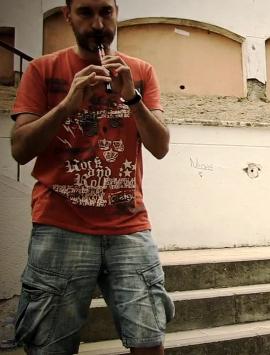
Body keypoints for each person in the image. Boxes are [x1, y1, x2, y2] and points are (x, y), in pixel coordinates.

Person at [10, 0, 174, 353]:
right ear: (67, 15)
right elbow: (20, 149)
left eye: (106, 12)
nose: (98, 24)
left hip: (129, 227)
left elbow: (160, 146)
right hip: (59, 226)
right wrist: (68, 104)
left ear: (117, 13)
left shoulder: (142, 71)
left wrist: (132, 97)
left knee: (149, 341)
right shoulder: (42, 70)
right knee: (49, 346)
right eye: (86, 13)